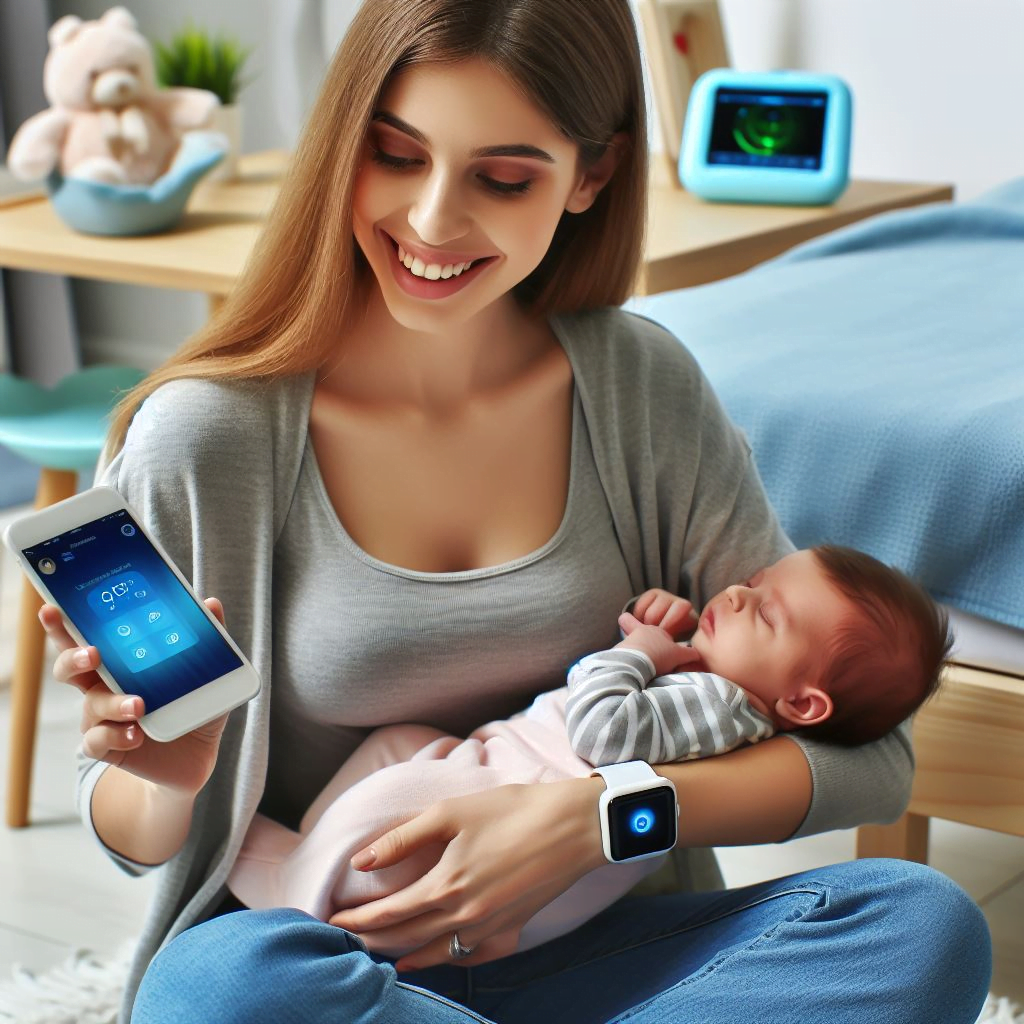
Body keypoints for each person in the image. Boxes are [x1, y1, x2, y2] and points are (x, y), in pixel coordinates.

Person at [39, 1, 990, 1022]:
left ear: (592, 174)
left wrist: (595, 820)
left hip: (603, 953)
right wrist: (169, 778)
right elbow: (136, 837)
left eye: (501, 177)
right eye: (396, 154)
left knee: (919, 922)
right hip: (339, 963)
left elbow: (870, 760)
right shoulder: (209, 435)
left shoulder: (640, 389)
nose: (434, 220)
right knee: (215, 988)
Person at [223, 544, 952, 957]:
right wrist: (663, 632)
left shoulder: (719, 708)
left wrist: (634, 652)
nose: (731, 594)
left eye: (763, 611)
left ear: (800, 705)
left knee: (395, 798)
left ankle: (298, 900)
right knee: (399, 748)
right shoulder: (710, 682)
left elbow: (603, 729)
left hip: (511, 808)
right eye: (752, 582)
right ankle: (313, 857)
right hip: (487, 771)